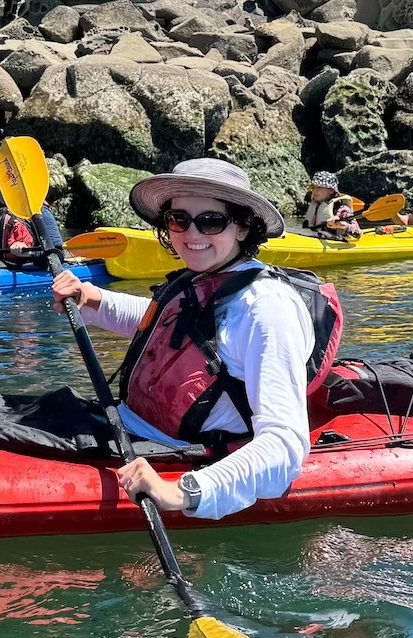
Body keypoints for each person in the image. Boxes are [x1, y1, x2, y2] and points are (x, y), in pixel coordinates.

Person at [49, 158, 341, 520]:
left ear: (243, 227)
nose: (192, 234)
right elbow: (172, 330)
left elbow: (285, 447)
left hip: (175, 455)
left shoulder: (267, 309)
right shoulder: (201, 278)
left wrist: (181, 492)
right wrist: (92, 299)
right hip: (127, 426)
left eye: (211, 221)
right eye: (179, 220)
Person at [300, 171, 362, 240]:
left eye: (319, 187)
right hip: (312, 238)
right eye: (313, 187)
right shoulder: (315, 204)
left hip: (334, 243)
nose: (315, 191)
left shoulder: (342, 208)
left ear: (331, 190)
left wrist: (343, 225)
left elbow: (357, 232)